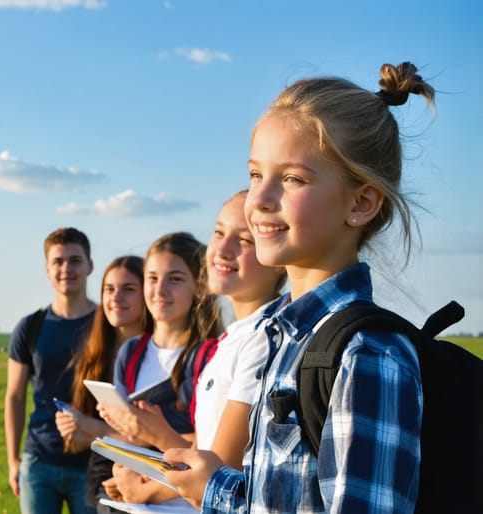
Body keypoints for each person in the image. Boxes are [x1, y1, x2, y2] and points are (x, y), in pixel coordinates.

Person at [164, 62, 435, 513]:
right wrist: (219, 486)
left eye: (291, 179)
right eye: (255, 175)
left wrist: (216, 494)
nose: (260, 199)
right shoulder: (277, 333)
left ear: (361, 203)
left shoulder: (367, 354)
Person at [101, 192, 287, 507]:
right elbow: (204, 453)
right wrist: (141, 479)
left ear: (278, 260)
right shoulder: (230, 342)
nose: (222, 250)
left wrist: (145, 485)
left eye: (244, 239)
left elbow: (217, 474)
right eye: (218, 232)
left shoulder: (263, 340)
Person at [5, 227, 98, 514]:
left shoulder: (106, 325)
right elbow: (14, 397)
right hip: (39, 463)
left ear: (89, 266)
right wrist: (13, 460)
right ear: (47, 270)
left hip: (93, 463)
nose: (66, 268)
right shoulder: (29, 327)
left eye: (75, 260)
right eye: (58, 262)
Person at [55, 255, 154, 513]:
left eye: (128, 289)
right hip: (102, 484)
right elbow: (82, 441)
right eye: (109, 289)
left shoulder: (160, 359)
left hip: (148, 485)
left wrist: (91, 427)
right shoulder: (94, 358)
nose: (116, 298)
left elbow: (155, 440)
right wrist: (73, 428)